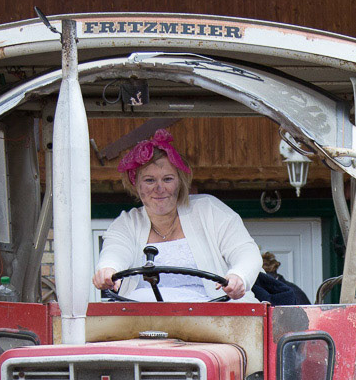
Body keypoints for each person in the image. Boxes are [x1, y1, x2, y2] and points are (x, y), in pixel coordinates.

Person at [92, 130, 263, 303]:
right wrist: (108, 269)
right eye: (149, 180)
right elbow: (115, 252)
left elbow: (245, 251)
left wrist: (239, 276)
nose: (159, 188)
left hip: (212, 315)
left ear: (180, 182)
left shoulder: (209, 210)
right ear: (135, 184)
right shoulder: (126, 223)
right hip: (143, 320)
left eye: (167, 179)